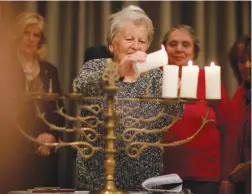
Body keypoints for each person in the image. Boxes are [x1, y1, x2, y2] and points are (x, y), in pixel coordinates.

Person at [74, 5, 183, 191]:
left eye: (142, 41)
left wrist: (177, 97)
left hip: (144, 176)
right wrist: (117, 71)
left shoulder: (156, 76)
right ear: (111, 44)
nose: (135, 46)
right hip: (98, 175)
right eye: (129, 39)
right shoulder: (96, 67)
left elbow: (168, 118)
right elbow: (80, 87)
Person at [161, 25, 230, 194]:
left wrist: (227, 177)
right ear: (164, 49)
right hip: (162, 174)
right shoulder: (154, 81)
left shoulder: (209, 79)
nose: (179, 49)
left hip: (205, 176)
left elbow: (228, 129)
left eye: (185, 44)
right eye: (173, 44)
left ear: (194, 51)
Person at [6, 12, 65, 191]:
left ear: (41, 40)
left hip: (44, 153)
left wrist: (50, 137)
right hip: (11, 154)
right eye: (27, 33)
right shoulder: (4, 68)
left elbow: (59, 110)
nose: (31, 39)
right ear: (18, 35)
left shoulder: (50, 71)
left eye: (36, 35)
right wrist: (32, 140)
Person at [219, 35, 251, 194]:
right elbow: (230, 141)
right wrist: (226, 179)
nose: (248, 65)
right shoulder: (239, 96)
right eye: (242, 61)